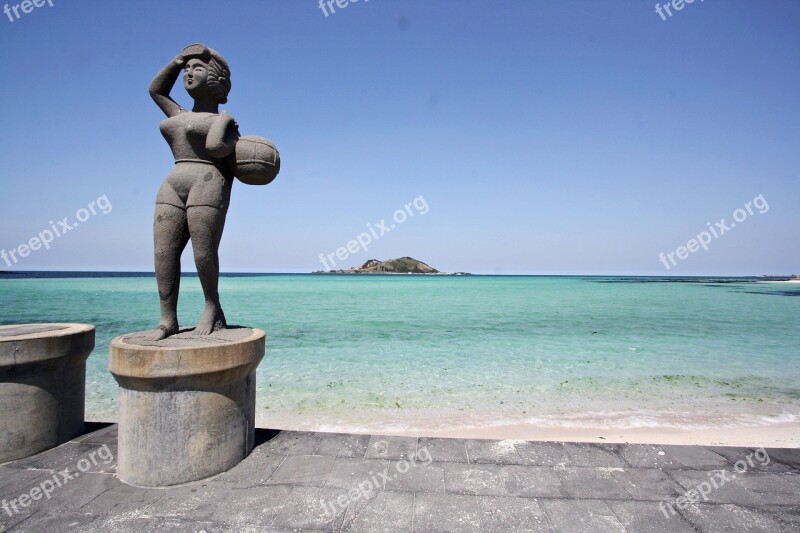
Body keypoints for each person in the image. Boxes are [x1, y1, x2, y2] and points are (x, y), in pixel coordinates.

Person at [146, 44, 239, 340]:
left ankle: (212, 306)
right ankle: (167, 319)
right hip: (173, 182)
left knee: (203, 251)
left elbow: (215, 148)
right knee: (164, 252)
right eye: (187, 69)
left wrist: (224, 121)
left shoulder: (223, 121)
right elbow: (156, 91)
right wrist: (177, 60)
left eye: (196, 68)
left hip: (209, 180)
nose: (188, 72)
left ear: (215, 80)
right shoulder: (177, 113)